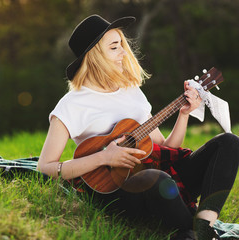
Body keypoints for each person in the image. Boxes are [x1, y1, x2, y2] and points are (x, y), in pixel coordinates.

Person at [37, 14, 239, 240]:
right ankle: (189, 231)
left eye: (122, 45)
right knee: (155, 178)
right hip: (120, 192)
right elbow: (45, 167)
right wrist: (105, 158)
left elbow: (164, 147)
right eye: (114, 47)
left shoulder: (131, 91)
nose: (123, 52)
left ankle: (202, 227)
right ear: (94, 56)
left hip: (162, 181)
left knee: (229, 142)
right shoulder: (71, 105)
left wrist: (183, 115)